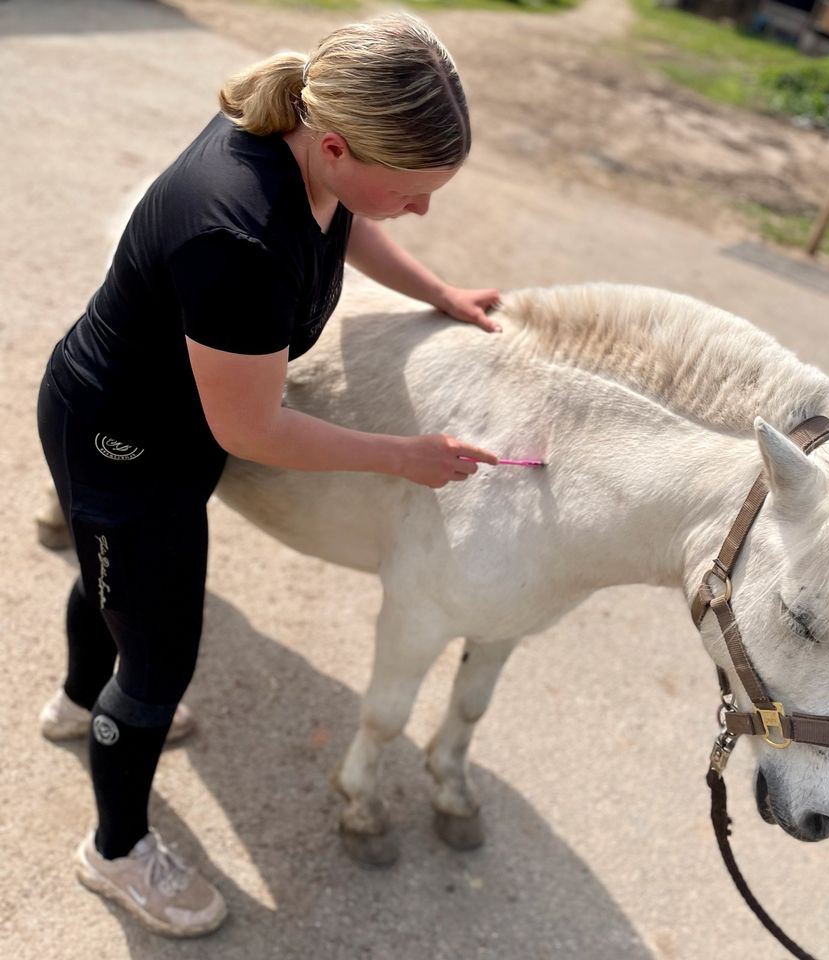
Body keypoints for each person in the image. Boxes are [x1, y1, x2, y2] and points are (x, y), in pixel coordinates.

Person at [36, 13, 499, 938]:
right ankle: (117, 851)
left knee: (113, 581)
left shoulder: (295, 130)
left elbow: (346, 219)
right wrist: (405, 459)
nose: (420, 210)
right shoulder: (237, 231)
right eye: (412, 192)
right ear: (335, 143)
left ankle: (77, 704)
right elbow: (252, 427)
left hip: (144, 427)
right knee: (159, 660)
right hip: (124, 443)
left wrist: (438, 291)